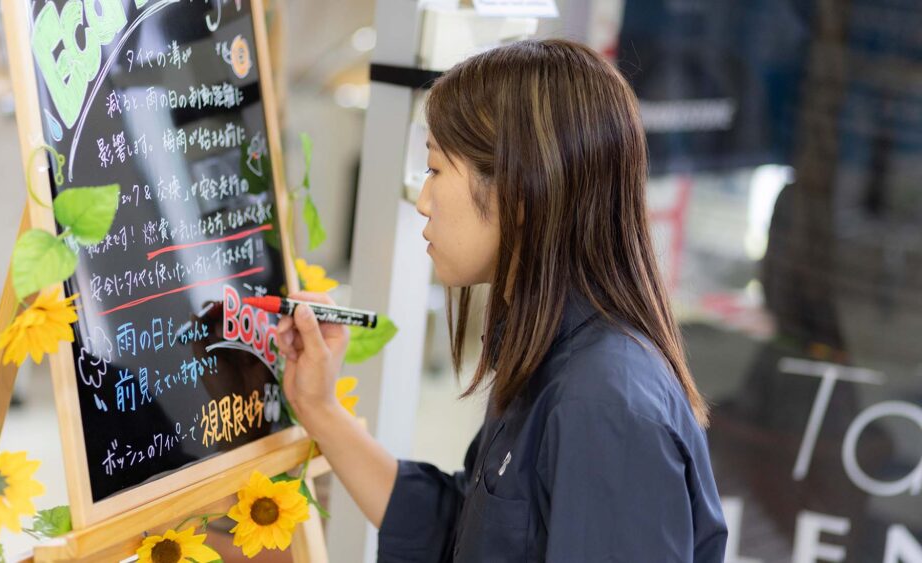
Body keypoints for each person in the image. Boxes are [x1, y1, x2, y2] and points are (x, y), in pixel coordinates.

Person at [276, 39, 728, 562]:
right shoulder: (542, 345)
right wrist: (318, 407)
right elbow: (466, 532)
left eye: (436, 170)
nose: (422, 201)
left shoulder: (603, 404)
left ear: (518, 190)